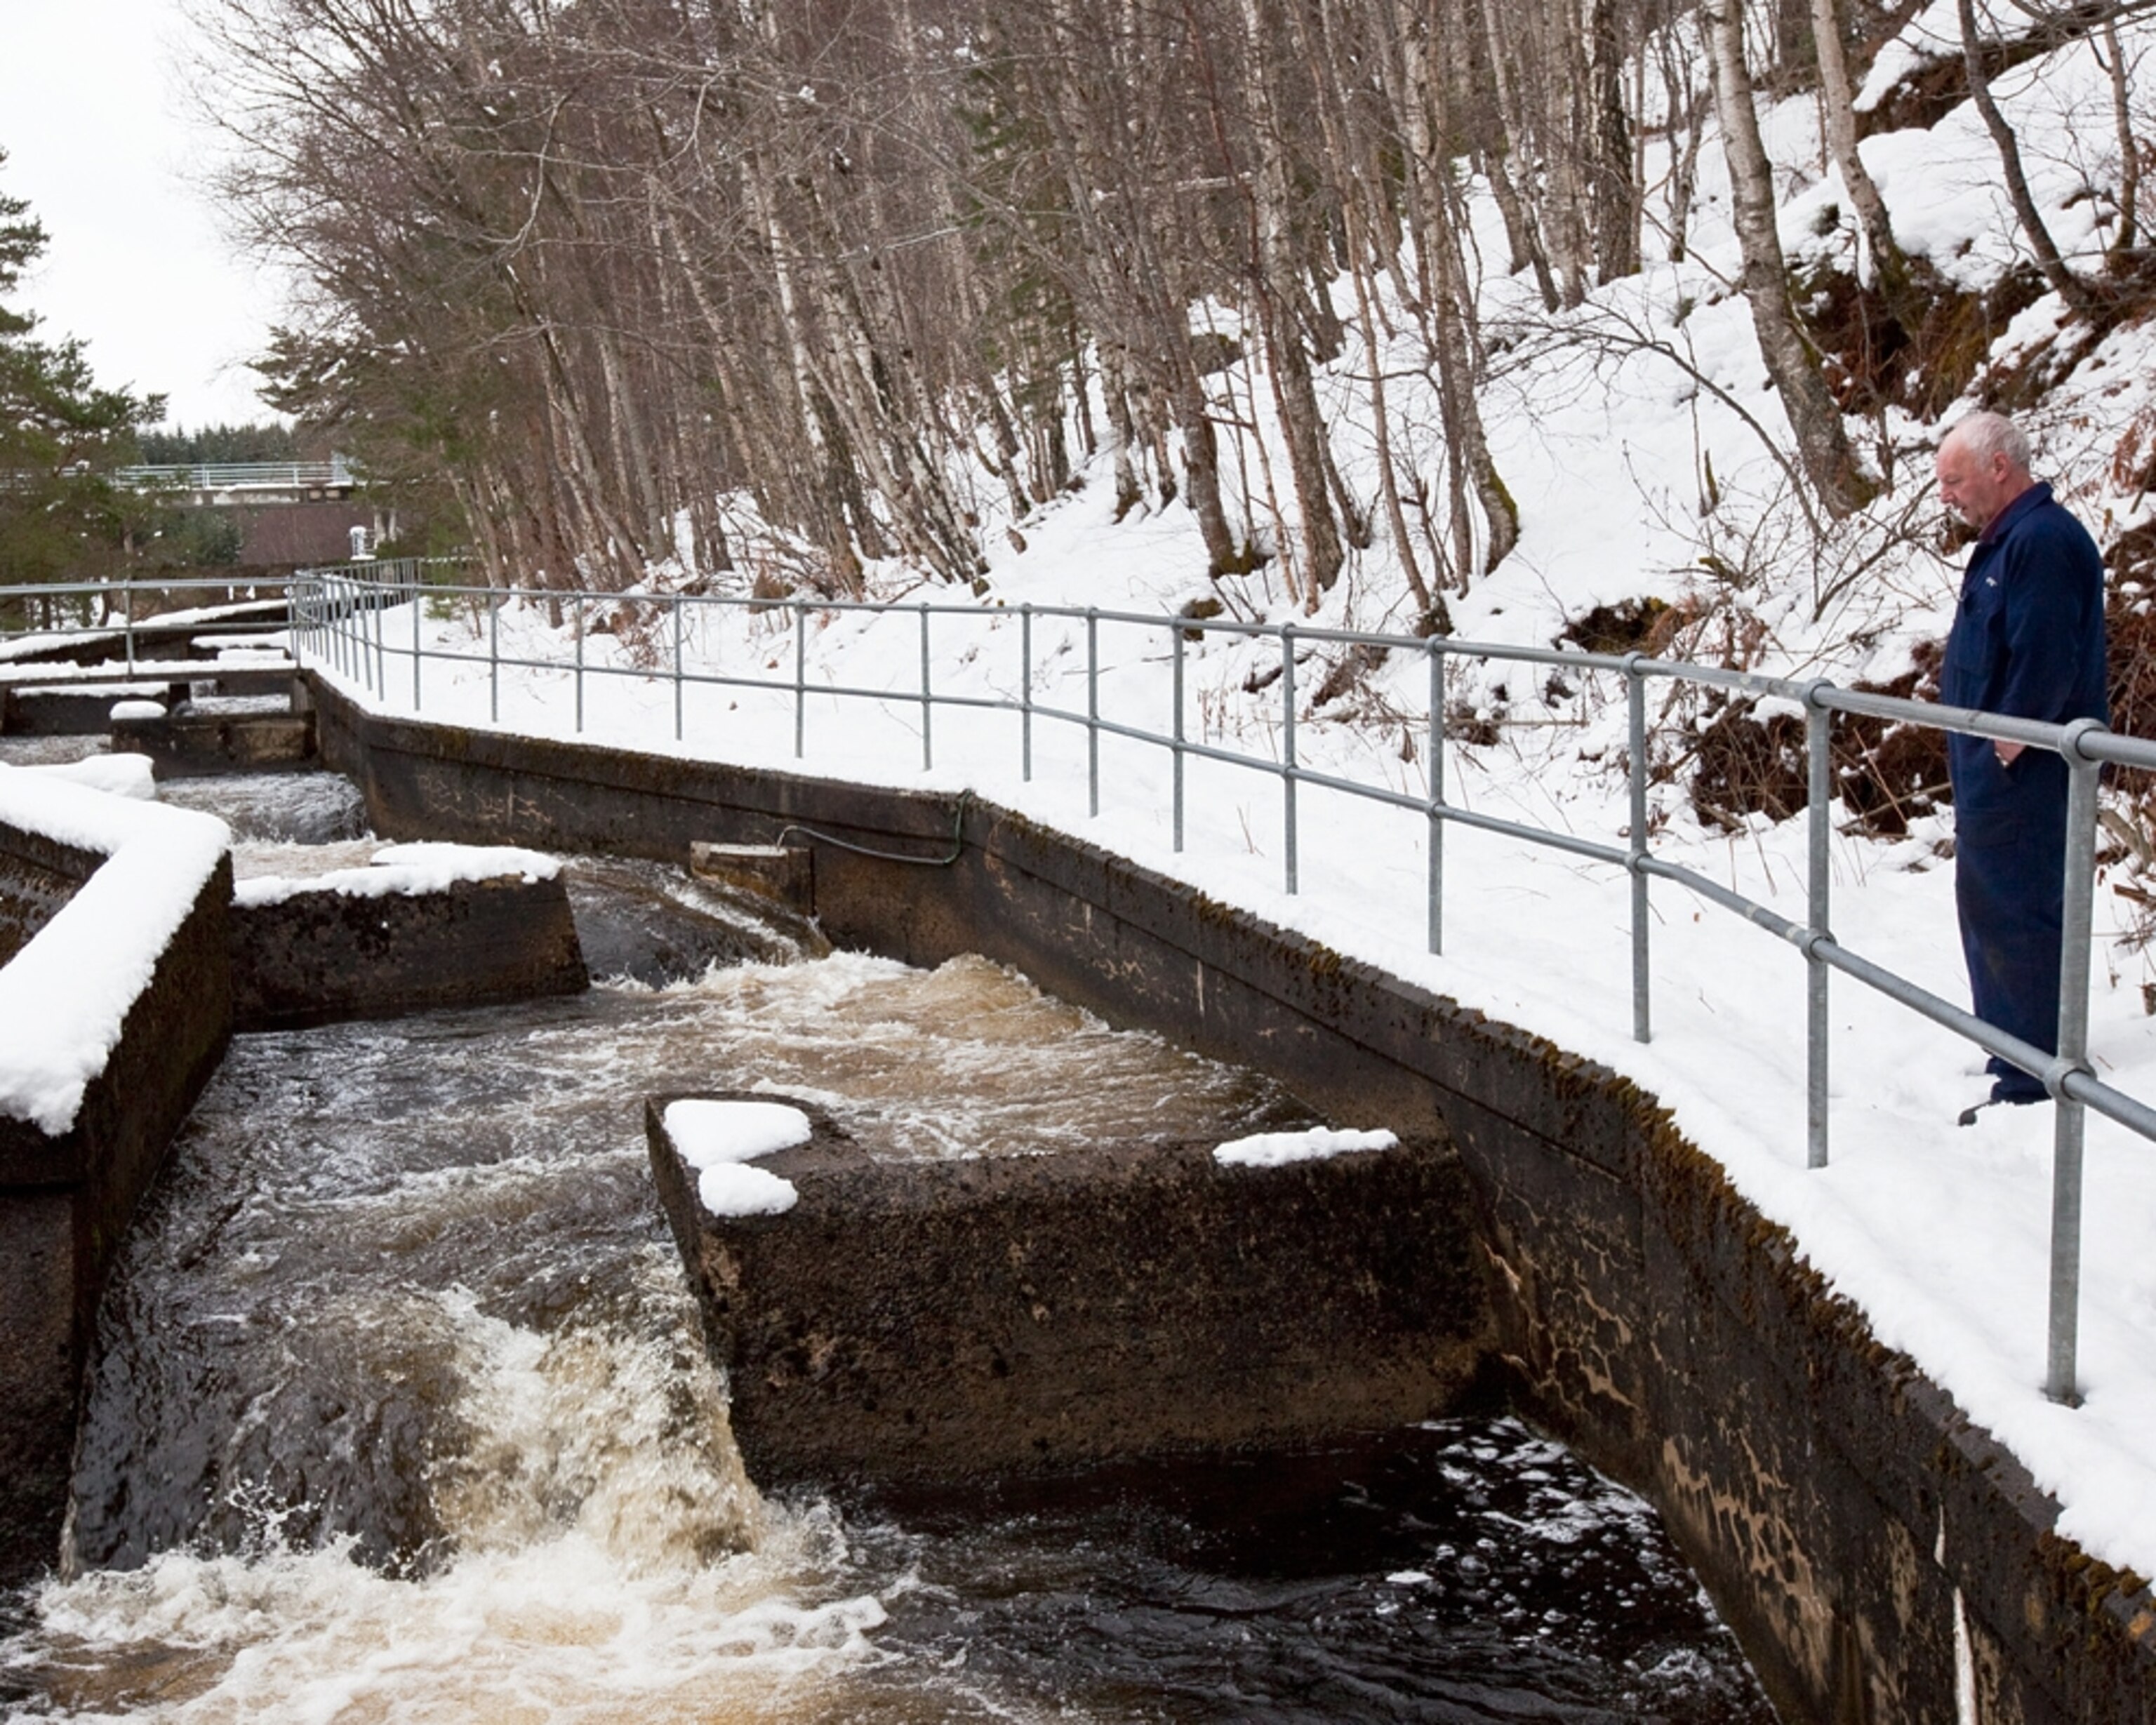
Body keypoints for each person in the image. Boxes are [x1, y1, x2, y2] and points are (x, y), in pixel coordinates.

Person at [1934, 411, 2107, 1120]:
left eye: (1955, 479)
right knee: (1991, 907)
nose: (1946, 495)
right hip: (1993, 765)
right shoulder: (2010, 539)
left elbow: (2047, 652)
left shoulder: (2041, 540)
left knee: (2021, 910)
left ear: (1999, 467)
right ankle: (2012, 1048)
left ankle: (2034, 1080)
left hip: (2022, 769)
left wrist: (2011, 738)